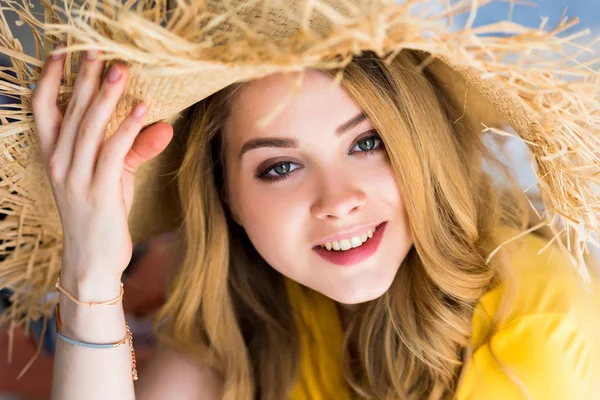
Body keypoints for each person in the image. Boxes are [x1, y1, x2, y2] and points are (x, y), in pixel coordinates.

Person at [1, 1, 599, 399]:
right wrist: (92, 269)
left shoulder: (537, 339)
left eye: (367, 142)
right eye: (280, 166)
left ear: (421, 142)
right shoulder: (261, 288)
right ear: (228, 198)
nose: (337, 202)